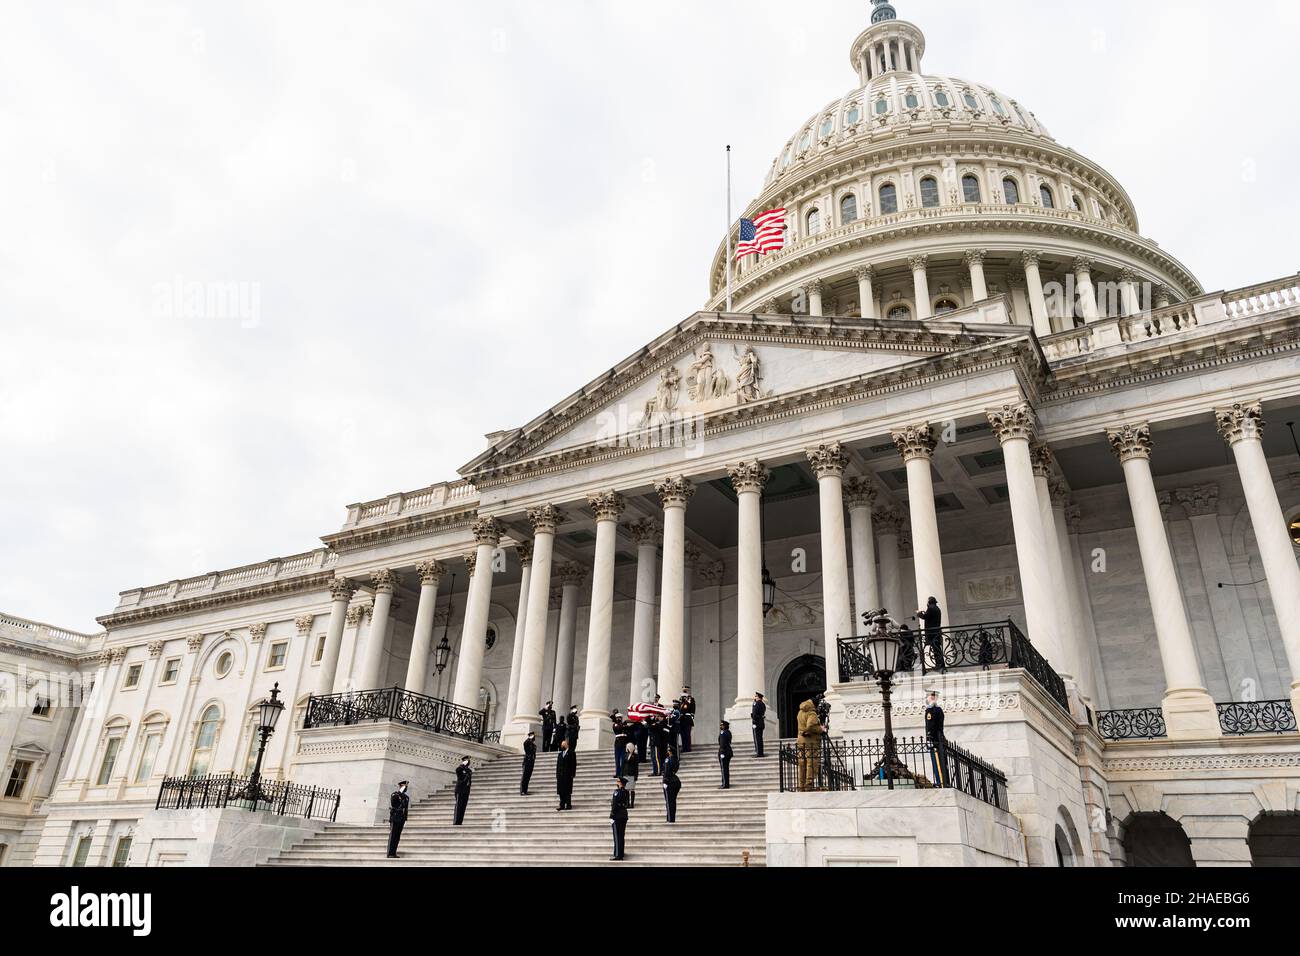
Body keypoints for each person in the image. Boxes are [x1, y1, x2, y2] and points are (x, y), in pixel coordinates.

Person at [797, 700, 825, 792]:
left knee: (802, 763)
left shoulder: (800, 712)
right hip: (810, 741)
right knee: (811, 763)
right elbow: (810, 727)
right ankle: (809, 784)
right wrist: (821, 729)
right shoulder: (811, 713)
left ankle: (801, 785)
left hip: (801, 740)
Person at [926, 690, 948, 787]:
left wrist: (930, 738)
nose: (928, 698)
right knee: (936, 763)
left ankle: (942, 783)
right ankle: (940, 781)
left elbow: (933, 726)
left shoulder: (935, 710)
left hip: (935, 740)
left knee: (939, 763)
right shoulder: (931, 709)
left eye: (929, 696)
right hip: (934, 740)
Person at [918, 597, 944, 673]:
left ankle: (939, 665)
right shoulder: (937, 608)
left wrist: (919, 614)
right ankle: (941, 664)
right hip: (937, 631)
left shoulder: (930, 608)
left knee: (936, 649)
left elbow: (925, 617)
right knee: (937, 649)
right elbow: (930, 617)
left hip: (932, 632)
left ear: (929, 602)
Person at [387, 780, 410, 859]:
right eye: (404, 787)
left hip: (401, 819)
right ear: (400, 786)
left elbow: (405, 808)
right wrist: (399, 792)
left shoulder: (406, 797)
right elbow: (393, 803)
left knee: (397, 837)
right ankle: (390, 853)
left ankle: (394, 852)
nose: (406, 788)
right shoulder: (395, 795)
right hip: (395, 818)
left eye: (406, 787)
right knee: (393, 836)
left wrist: (405, 818)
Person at [609, 776, 630, 862]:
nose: (617, 783)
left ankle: (618, 854)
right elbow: (626, 804)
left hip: (617, 815)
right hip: (624, 815)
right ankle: (620, 852)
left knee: (617, 836)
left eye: (618, 781)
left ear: (621, 783)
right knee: (621, 835)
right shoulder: (626, 792)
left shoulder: (617, 792)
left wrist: (612, 815)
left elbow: (614, 804)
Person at [555, 738, 577, 811]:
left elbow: (574, 764)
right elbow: (558, 765)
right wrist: (557, 775)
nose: (562, 746)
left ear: (567, 745)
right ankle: (561, 805)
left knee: (567, 791)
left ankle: (568, 804)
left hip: (568, 775)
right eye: (561, 745)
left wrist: (572, 774)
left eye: (563, 744)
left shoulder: (571, 753)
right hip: (560, 776)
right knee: (561, 791)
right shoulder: (560, 754)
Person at [662, 751, 681, 823]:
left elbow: (667, 770)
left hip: (670, 782)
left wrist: (665, 781)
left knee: (669, 802)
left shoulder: (668, 759)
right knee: (673, 801)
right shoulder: (676, 760)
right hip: (676, 782)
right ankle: (672, 818)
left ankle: (670, 819)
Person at [453, 756, 472, 825]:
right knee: (458, 806)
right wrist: (462, 765)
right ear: (464, 761)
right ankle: (456, 822)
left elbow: (469, 778)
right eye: (467, 760)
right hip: (459, 790)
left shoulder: (469, 771)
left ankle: (460, 822)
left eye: (469, 760)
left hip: (466, 791)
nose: (468, 761)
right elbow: (457, 770)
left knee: (463, 807)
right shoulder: (460, 769)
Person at [717, 720, 733, 789]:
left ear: (724, 726)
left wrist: (722, 753)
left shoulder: (723, 733)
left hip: (724, 752)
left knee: (724, 769)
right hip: (728, 752)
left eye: (722, 725)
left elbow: (722, 743)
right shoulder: (728, 732)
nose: (721, 726)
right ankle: (726, 783)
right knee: (726, 769)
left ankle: (725, 784)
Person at [623, 743, 639, 808]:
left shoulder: (635, 755)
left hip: (632, 774)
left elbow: (636, 766)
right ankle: (627, 803)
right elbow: (623, 765)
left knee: (632, 789)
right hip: (625, 774)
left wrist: (636, 776)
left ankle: (632, 803)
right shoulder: (625, 755)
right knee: (626, 790)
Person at [751, 692, 767, 758]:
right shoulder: (763, 704)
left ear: (758, 697)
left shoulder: (756, 703)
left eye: (755, 696)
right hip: (761, 722)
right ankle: (760, 752)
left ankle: (759, 753)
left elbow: (754, 713)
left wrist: (753, 718)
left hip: (756, 723)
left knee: (757, 739)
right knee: (760, 738)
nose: (754, 697)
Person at [612, 713, 629, 777]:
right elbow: (618, 729)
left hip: (624, 743)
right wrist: (624, 725)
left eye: (620, 718)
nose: (619, 719)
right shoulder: (615, 724)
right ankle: (617, 773)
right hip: (618, 743)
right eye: (618, 718)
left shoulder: (624, 724)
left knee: (623, 759)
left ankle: (622, 772)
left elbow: (627, 731)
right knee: (617, 759)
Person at [520, 731, 537, 796]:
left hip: (531, 763)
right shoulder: (527, 743)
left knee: (528, 777)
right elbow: (525, 743)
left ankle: (525, 790)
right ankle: (522, 791)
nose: (534, 737)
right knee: (524, 777)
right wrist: (529, 738)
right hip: (527, 762)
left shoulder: (534, 745)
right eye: (533, 736)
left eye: (534, 736)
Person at [680, 687, 696, 753]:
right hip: (682, 720)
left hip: (687, 719)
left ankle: (688, 748)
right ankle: (684, 748)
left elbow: (692, 710)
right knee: (683, 735)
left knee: (687, 734)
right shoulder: (681, 699)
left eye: (686, 690)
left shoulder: (690, 699)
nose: (685, 691)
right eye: (684, 690)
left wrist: (691, 719)